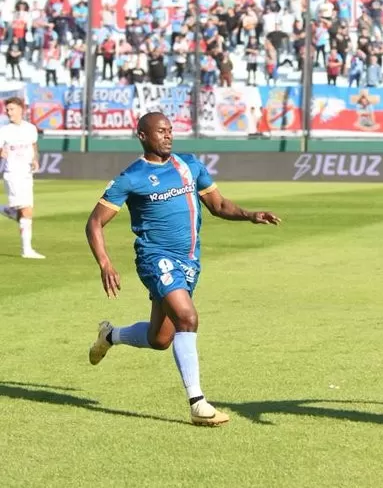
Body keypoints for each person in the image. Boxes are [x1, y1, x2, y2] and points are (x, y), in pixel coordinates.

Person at [85, 112, 281, 426]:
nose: (168, 136)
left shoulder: (189, 165)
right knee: (187, 318)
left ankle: (110, 336)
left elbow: (218, 206)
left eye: (170, 130)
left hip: (189, 260)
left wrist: (250, 214)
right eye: (161, 131)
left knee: (160, 338)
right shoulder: (132, 176)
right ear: (143, 136)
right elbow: (95, 222)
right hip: (154, 257)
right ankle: (198, 403)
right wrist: (105, 263)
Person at [0, 96, 45, 259]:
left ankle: (27, 249)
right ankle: (26, 250)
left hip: (27, 173)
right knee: (25, 209)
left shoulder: (30, 128)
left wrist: (35, 160)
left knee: (26, 211)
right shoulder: (4, 130)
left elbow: (34, 146)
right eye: (7, 109)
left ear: (21, 110)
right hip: (11, 173)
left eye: (11, 109)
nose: (8, 112)